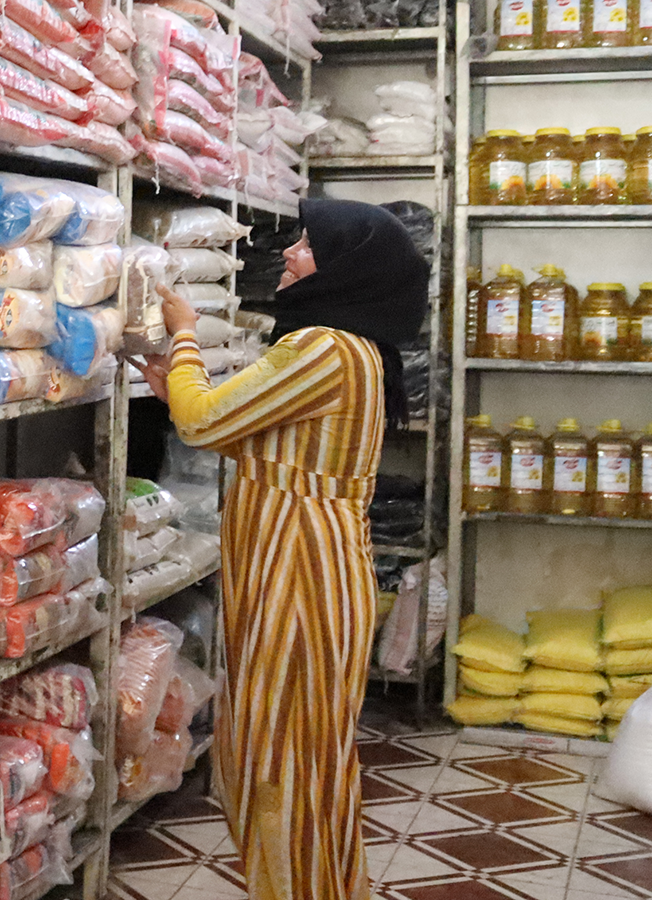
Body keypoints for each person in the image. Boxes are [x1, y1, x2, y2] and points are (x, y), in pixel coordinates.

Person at [133, 198, 428, 900]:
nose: (290, 254)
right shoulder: (351, 350)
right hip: (300, 573)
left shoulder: (324, 346)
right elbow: (261, 443)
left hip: (301, 579)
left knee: (285, 767)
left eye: (306, 243)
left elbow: (205, 425)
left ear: (346, 269)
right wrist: (177, 390)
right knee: (291, 761)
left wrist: (185, 338)